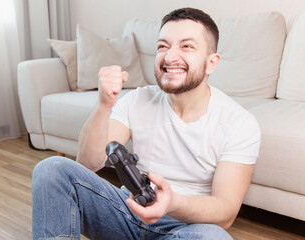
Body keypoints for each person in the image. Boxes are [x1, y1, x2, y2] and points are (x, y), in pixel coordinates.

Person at [32, 7, 261, 240]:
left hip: (185, 227)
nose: (170, 57)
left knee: (213, 237)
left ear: (211, 63)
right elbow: (88, 163)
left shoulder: (239, 123)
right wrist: (103, 105)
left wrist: (171, 203)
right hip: (127, 212)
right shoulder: (137, 99)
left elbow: (226, 212)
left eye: (187, 46)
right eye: (163, 46)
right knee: (51, 169)